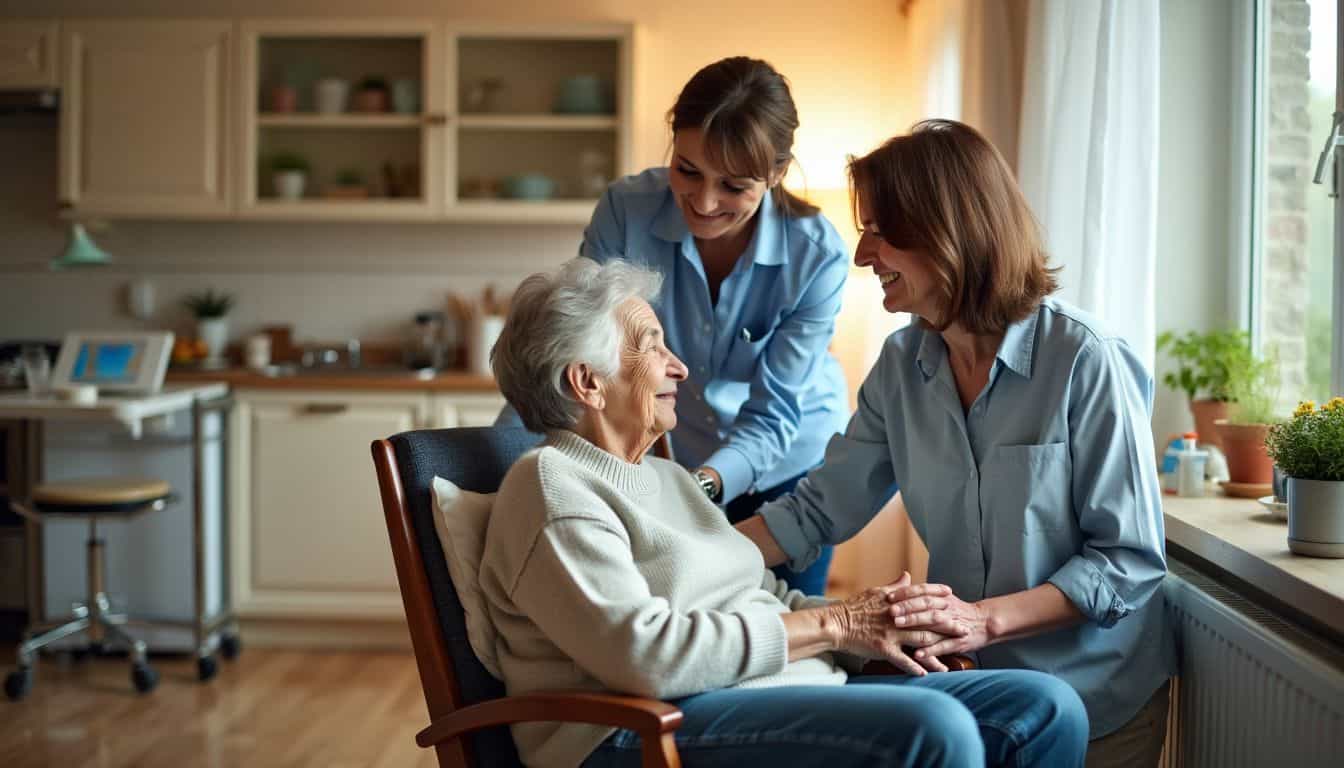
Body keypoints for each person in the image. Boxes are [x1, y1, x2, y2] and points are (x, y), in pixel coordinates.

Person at [480, 257, 1089, 768]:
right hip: (640, 729)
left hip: (773, 694)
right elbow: (646, 657)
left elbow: (764, 597)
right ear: (586, 381)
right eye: (652, 347)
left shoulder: (668, 479)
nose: (680, 368)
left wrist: (883, 623)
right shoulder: (551, 488)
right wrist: (838, 625)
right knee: (936, 726)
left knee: (1043, 707)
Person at [734, 120, 1177, 768]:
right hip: (975, 695)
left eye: (880, 233)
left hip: (1096, 703)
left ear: (946, 231)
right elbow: (815, 511)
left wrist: (983, 619)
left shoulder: (1086, 359)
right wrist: (681, 554)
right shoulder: (900, 364)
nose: (863, 256)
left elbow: (1129, 562)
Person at [577, 56, 851, 594]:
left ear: (775, 172)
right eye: (688, 170)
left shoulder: (817, 255)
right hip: (678, 459)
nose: (703, 203)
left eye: (733, 185)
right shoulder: (626, 212)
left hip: (791, 471)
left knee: (786, 640)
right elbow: (581, 343)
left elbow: (775, 415)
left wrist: (692, 491)